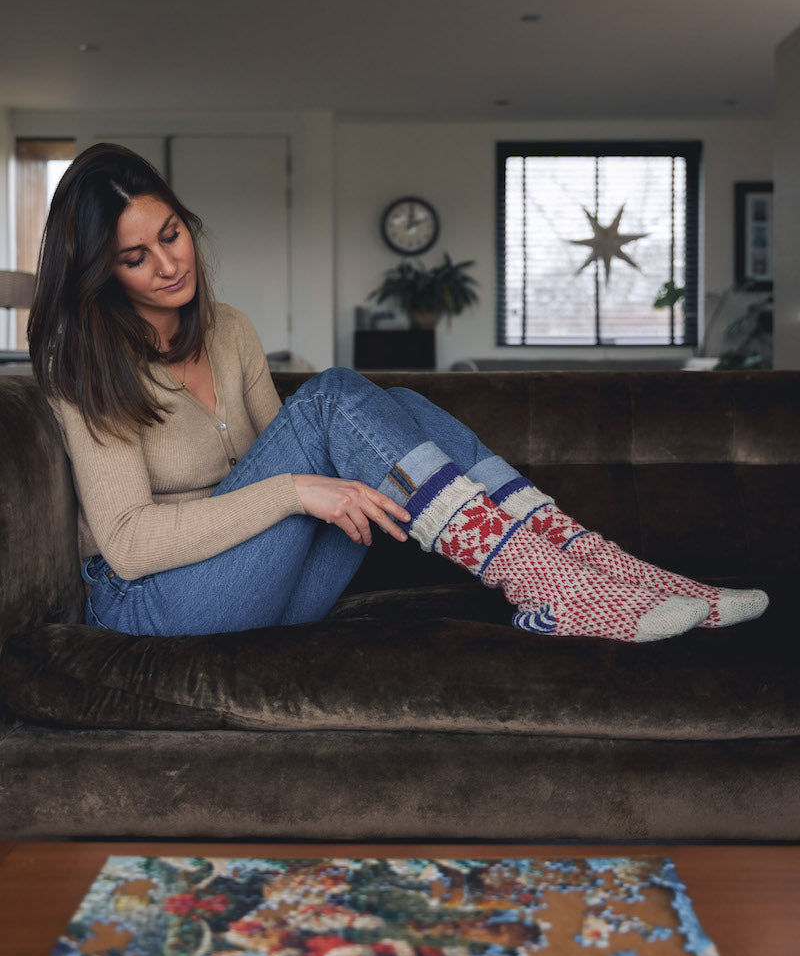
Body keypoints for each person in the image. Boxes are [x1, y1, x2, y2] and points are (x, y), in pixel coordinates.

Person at [28, 143, 768, 643]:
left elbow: (310, 451)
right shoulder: (82, 362)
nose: (167, 263)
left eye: (171, 233)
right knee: (332, 397)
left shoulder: (229, 330)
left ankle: (607, 570)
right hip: (156, 605)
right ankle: (551, 586)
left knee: (396, 407)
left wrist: (309, 481)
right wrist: (291, 492)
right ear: (101, 272)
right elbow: (125, 546)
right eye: (135, 256)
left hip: (267, 589)